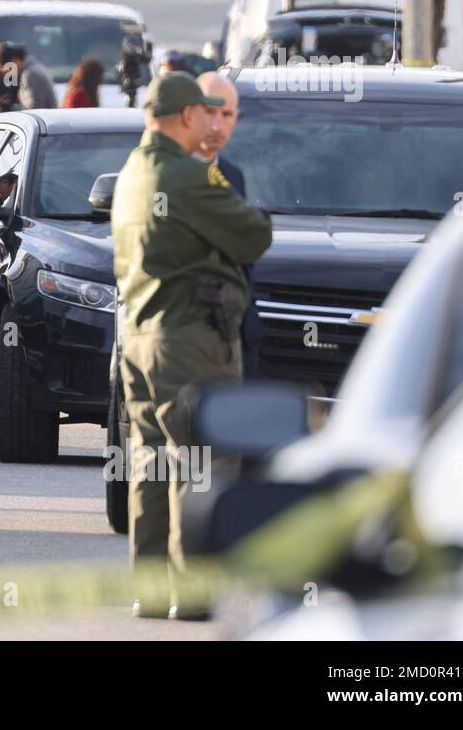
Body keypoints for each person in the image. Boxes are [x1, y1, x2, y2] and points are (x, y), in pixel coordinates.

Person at [111, 71, 272, 620]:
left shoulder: (134, 169)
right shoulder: (187, 175)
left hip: (140, 336)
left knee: (153, 461)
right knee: (201, 460)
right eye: (205, 113)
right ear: (186, 116)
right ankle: (195, 592)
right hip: (190, 336)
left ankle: (152, 588)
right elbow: (254, 234)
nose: (212, 122)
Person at [194, 71, 262, 379]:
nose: (217, 126)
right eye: (209, 112)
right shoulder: (163, 174)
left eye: (227, 114)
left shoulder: (233, 175)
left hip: (233, 335)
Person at [0, 42, 57, 110]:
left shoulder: (31, 74)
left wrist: (11, 108)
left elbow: (36, 109)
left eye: (9, 68)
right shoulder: (31, 70)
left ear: (15, 60)